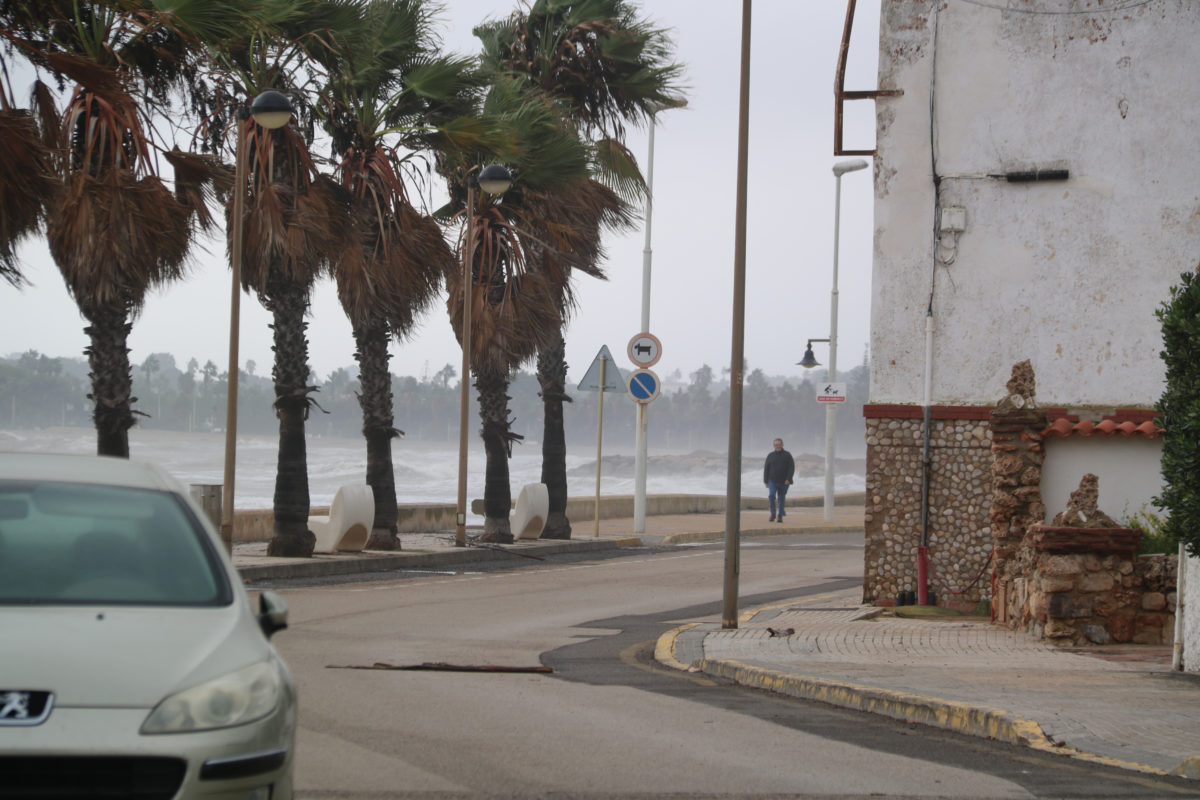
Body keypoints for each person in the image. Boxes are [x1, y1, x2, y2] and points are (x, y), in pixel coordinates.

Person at [763, 438, 795, 523]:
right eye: (776, 445)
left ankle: (780, 515)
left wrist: (788, 479)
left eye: (779, 444)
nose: (777, 446)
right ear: (774, 446)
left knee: (781, 498)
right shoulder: (770, 455)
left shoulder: (787, 455)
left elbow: (791, 468)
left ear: (782, 445)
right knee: (771, 496)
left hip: (784, 482)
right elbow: (766, 468)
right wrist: (765, 481)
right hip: (772, 481)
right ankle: (773, 513)